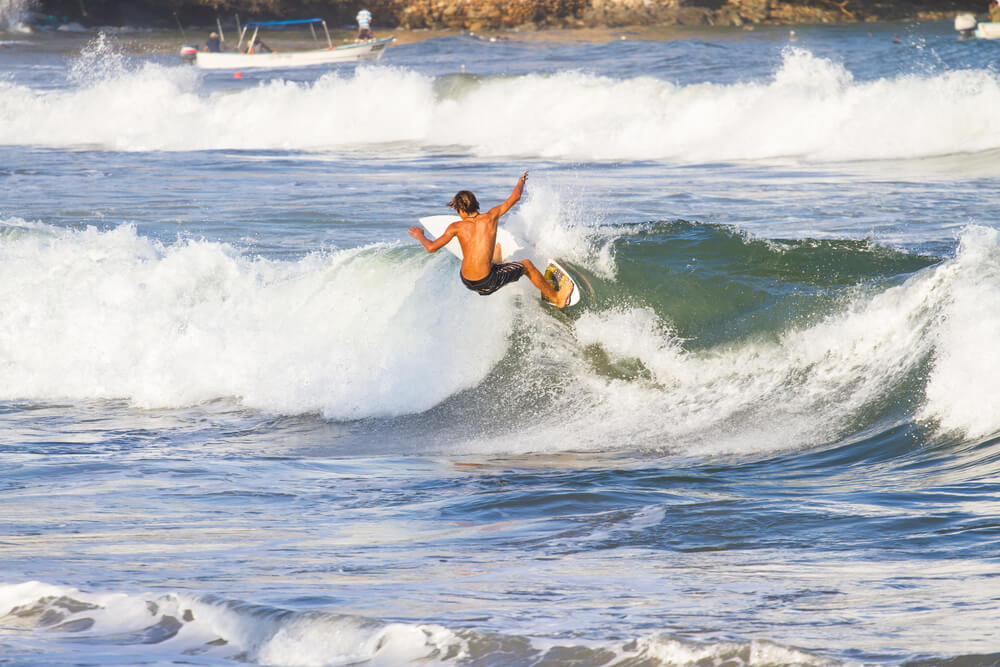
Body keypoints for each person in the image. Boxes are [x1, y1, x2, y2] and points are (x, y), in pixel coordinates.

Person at [408, 172, 574, 308]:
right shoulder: (491, 216)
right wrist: (521, 181)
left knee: (492, 253)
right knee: (527, 265)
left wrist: (420, 235)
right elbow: (516, 196)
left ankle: (495, 262)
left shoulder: (456, 227)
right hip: (487, 282)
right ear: (476, 205)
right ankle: (557, 298)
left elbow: (430, 248)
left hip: (466, 280)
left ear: (460, 210)